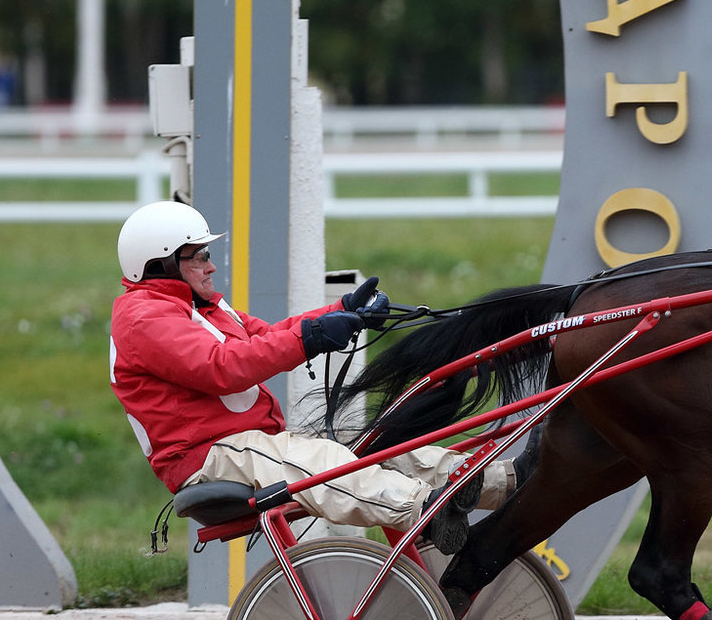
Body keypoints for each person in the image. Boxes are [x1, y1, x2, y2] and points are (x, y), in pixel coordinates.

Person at [108, 201, 511, 550]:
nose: (210, 265)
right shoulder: (143, 317)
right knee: (328, 462)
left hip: (247, 445)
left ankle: (501, 479)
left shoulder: (204, 308)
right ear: (162, 263)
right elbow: (224, 368)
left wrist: (340, 311)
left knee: (380, 447)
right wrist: (311, 338)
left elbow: (269, 336)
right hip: (208, 456)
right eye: (197, 256)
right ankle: (427, 509)